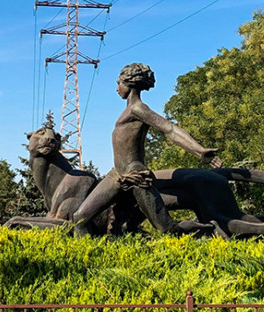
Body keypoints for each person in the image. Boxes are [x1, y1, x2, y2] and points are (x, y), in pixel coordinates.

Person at [72, 63, 221, 237]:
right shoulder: (128, 110)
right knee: (80, 217)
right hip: (117, 175)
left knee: (167, 229)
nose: (117, 88)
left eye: (118, 83)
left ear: (129, 83)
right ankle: (85, 256)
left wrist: (199, 151)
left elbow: (169, 129)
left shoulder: (138, 109)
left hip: (136, 176)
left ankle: (210, 229)